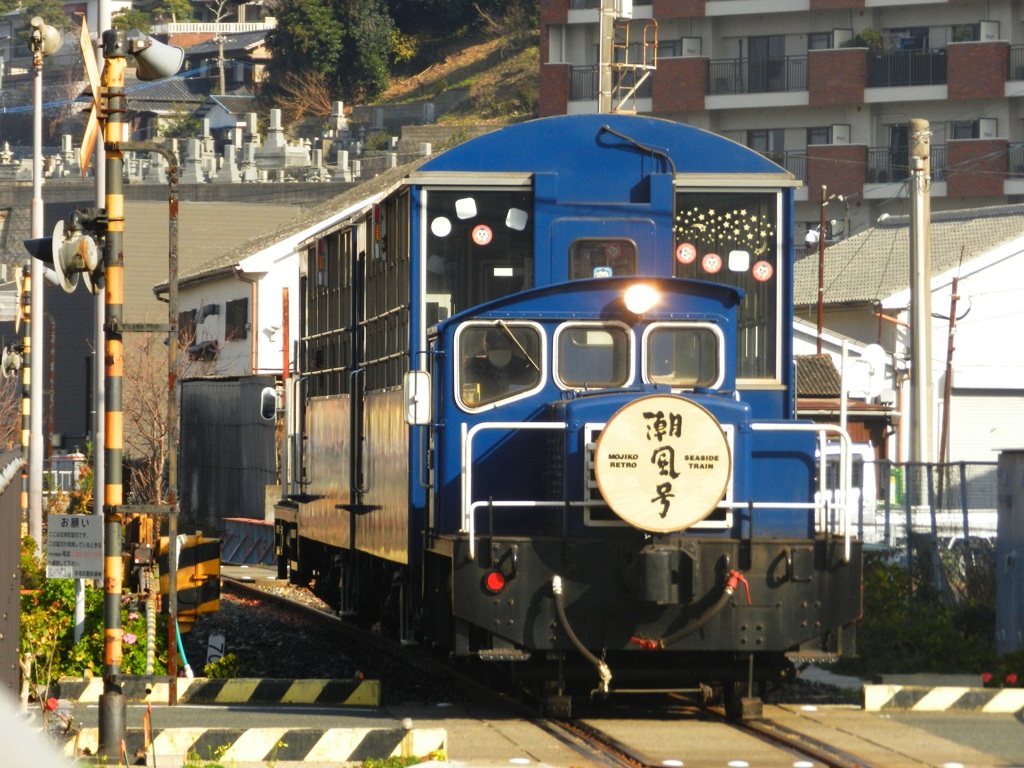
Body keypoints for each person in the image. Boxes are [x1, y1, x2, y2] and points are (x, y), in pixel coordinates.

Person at [463, 328, 537, 404]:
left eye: (504, 345)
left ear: (512, 346)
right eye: (493, 346)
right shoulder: (475, 366)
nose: (499, 349)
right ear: (486, 346)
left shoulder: (524, 367)